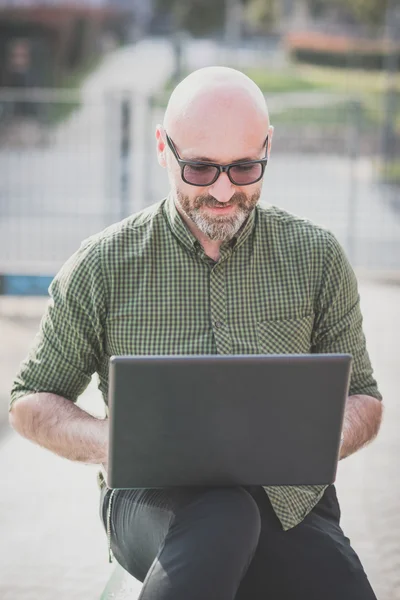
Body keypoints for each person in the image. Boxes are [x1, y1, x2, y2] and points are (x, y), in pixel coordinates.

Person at [9, 67, 383, 600]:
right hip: (149, 501)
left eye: (246, 167)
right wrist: (109, 443)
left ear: (268, 147)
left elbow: (364, 398)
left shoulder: (316, 258)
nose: (225, 191)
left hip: (289, 502)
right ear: (163, 147)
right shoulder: (102, 265)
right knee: (225, 518)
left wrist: (304, 444)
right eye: (202, 169)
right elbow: (29, 400)